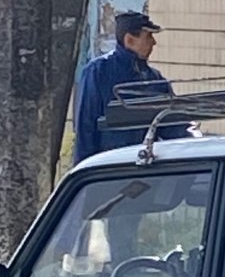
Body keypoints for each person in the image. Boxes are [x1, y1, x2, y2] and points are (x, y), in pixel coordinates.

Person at [72, 10, 171, 163]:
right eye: (148, 36)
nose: (153, 42)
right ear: (129, 40)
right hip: (110, 166)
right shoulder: (98, 72)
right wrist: (85, 169)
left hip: (146, 165)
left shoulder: (155, 79)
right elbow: (86, 128)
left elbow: (172, 122)